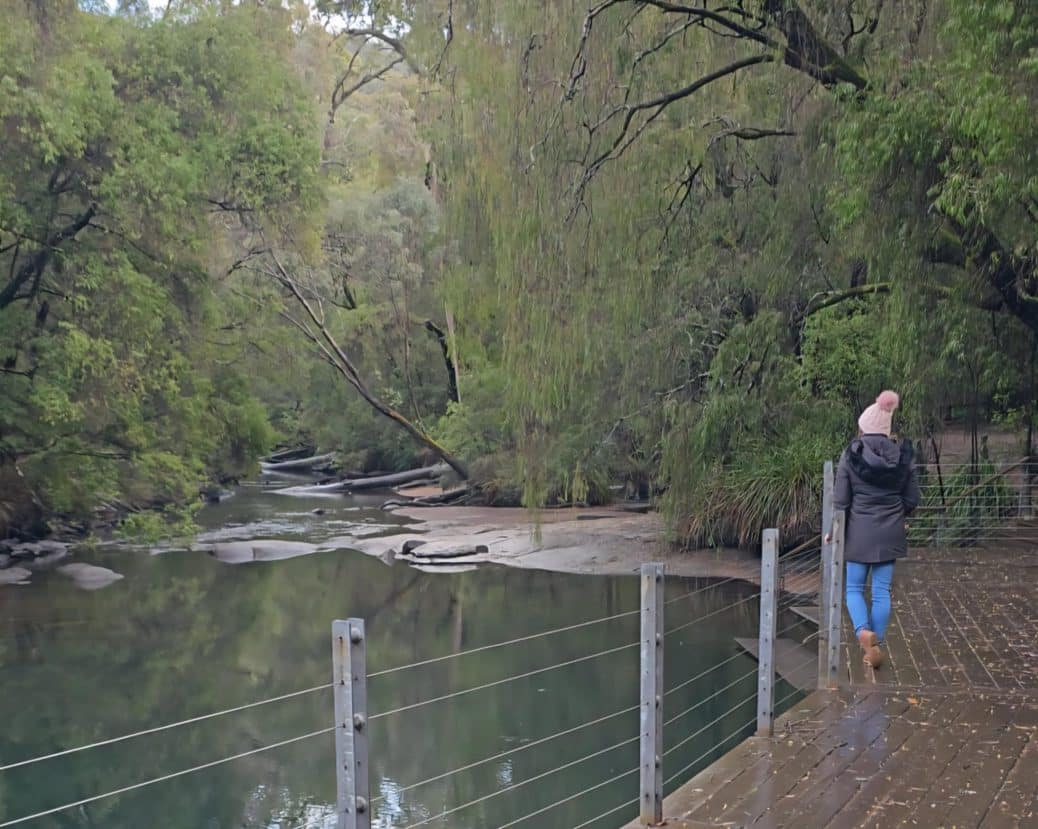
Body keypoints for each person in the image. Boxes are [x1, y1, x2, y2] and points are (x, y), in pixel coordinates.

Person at [829, 390, 919, 668]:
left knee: (854, 589)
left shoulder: (850, 455)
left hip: (858, 535)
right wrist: (901, 515)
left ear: (864, 427)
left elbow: (841, 500)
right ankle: (876, 643)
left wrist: (834, 530)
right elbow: (912, 499)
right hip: (890, 533)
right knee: (881, 592)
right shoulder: (902, 457)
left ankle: (863, 633)